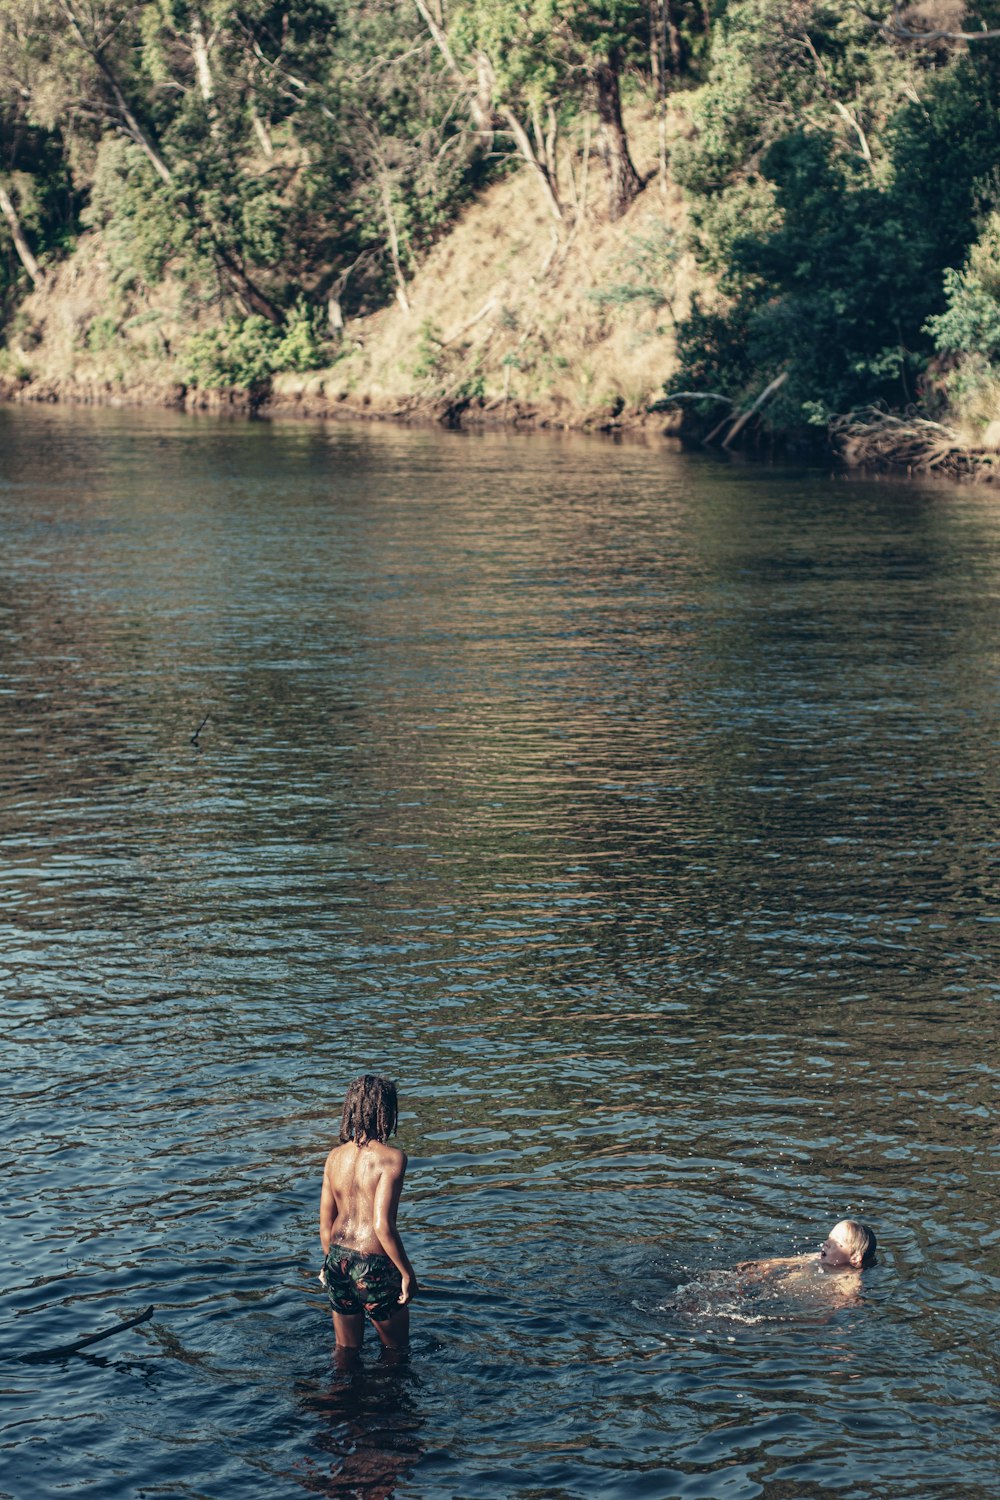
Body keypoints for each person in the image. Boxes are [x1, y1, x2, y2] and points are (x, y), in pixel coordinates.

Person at [319, 1074, 418, 1351]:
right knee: (396, 1354)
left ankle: (338, 1394)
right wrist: (407, 1274)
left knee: (345, 1353)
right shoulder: (391, 1158)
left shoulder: (334, 1157)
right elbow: (382, 1226)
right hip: (372, 1264)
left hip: (337, 1259)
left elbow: (325, 1223)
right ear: (385, 1111)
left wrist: (328, 1263)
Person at [738, 1217, 878, 1281]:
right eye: (829, 1238)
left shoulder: (849, 1279)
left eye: (836, 1242)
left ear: (854, 1258)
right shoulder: (815, 1257)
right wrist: (755, 1266)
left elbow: (846, 1301)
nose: (826, 1243)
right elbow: (784, 1262)